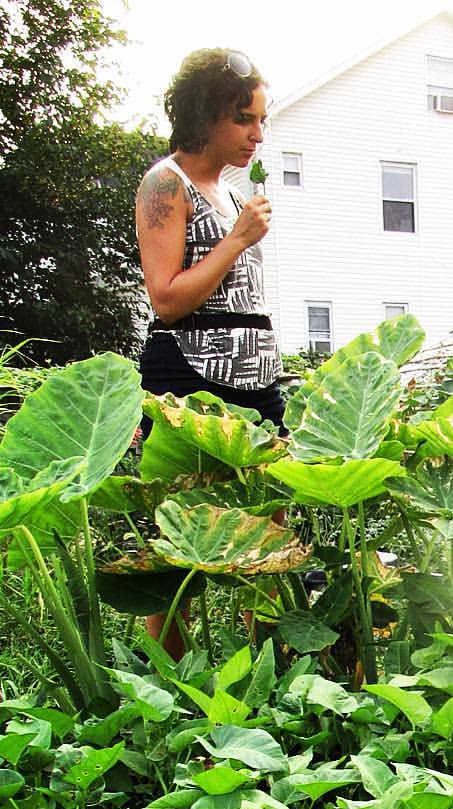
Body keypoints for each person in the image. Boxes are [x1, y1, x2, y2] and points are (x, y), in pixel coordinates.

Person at [135, 48, 284, 655]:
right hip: (189, 377)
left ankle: (277, 687)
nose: (257, 134)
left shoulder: (225, 191)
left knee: (272, 533)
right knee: (181, 546)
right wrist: (239, 237)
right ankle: (173, 693)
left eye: (261, 120)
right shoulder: (165, 183)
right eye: (243, 119)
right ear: (205, 116)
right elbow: (166, 298)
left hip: (255, 379)